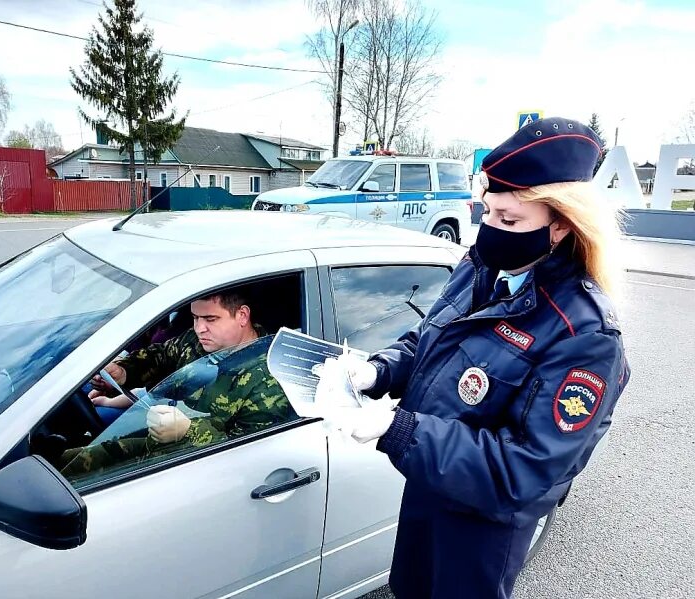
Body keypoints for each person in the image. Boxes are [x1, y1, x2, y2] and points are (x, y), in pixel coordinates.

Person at [327, 117, 631, 598]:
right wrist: (378, 369)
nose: (489, 231)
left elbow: (525, 470)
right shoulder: (481, 267)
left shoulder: (584, 332)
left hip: (483, 523)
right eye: (487, 212)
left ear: (561, 227)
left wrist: (402, 430)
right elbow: (430, 338)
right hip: (430, 481)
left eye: (509, 221)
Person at [57, 292, 296, 477]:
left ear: (242, 316)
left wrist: (187, 430)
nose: (199, 328)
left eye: (211, 319)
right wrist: (123, 371)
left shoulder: (268, 378)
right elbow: (161, 355)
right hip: (159, 440)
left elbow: (250, 455)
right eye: (195, 318)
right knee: (66, 462)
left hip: (193, 471)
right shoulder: (198, 342)